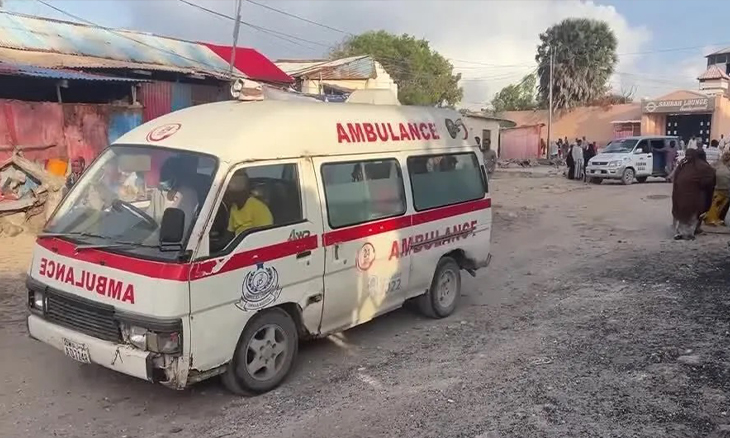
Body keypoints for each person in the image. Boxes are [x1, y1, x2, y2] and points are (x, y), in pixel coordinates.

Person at [671, 149, 716, 240]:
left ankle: (681, 232)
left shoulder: (683, 165)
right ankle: (688, 233)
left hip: (680, 197)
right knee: (693, 213)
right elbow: (710, 179)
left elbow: (676, 179)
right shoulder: (702, 166)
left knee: (683, 214)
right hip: (693, 198)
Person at [149, 156, 198, 234]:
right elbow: (149, 219)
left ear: (177, 176)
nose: (164, 179)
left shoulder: (188, 194)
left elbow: (187, 226)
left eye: (167, 175)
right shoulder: (157, 192)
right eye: (163, 175)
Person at [226, 172, 273, 236]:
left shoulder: (258, 208)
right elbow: (230, 232)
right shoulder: (234, 207)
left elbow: (265, 235)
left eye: (232, 190)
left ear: (244, 190)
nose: (228, 193)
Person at [704, 151, 730, 226]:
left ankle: (719, 218)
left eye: (728, 155)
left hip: (726, 190)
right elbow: (710, 168)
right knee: (715, 204)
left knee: (722, 206)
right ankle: (711, 218)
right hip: (718, 189)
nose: (727, 156)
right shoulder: (718, 163)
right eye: (726, 155)